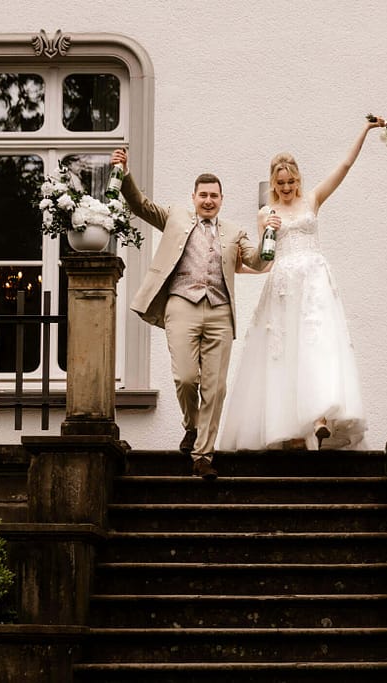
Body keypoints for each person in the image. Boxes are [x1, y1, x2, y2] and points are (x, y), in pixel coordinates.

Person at [219, 117, 384, 451]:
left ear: (298, 178)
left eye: (291, 181)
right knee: (284, 354)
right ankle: (291, 431)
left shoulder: (312, 200)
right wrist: (267, 230)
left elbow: (345, 165)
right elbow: (265, 259)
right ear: (273, 182)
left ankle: (321, 418)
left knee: (318, 346)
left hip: (314, 281)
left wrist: (365, 130)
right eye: (280, 182)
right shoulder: (267, 212)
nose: (286, 187)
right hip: (282, 284)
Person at [111, 148, 265, 479]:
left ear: (222, 199)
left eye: (214, 196)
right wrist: (124, 173)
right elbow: (140, 205)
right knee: (185, 378)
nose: (208, 200)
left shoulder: (234, 232)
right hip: (181, 303)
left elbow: (256, 261)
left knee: (215, 386)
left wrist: (271, 235)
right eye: (203, 195)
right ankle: (192, 426)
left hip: (220, 310)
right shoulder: (175, 217)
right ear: (193, 197)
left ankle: (203, 456)